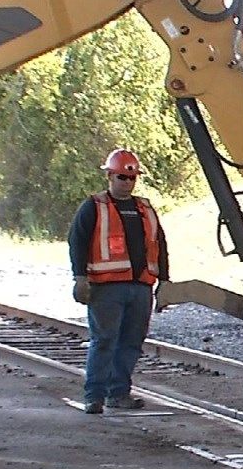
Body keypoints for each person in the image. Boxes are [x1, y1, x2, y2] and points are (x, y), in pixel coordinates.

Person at [68, 148, 169, 415]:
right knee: (104, 340)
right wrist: (80, 278)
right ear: (110, 176)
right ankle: (94, 396)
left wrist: (165, 282)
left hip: (140, 287)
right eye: (122, 177)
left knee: (132, 341)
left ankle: (119, 393)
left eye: (131, 178)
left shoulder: (145, 209)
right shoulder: (94, 206)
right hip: (106, 288)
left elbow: (160, 244)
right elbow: (77, 241)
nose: (127, 183)